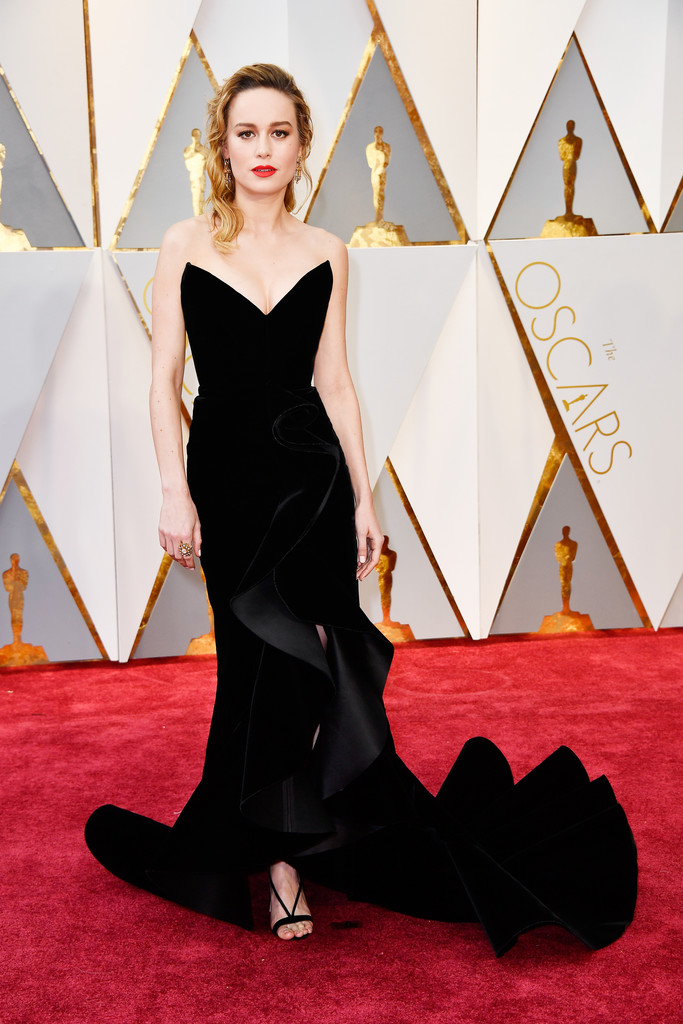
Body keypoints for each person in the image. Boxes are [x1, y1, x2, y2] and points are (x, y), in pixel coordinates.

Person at [85, 65, 637, 955]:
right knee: (253, 668)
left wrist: (364, 499)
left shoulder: (329, 250)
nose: (263, 149)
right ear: (222, 146)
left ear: (302, 144)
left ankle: (295, 847)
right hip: (226, 483)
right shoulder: (183, 244)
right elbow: (161, 384)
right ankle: (278, 855)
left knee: (317, 662)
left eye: (279, 132)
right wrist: (172, 491)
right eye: (245, 133)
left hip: (312, 483)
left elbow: (336, 384)